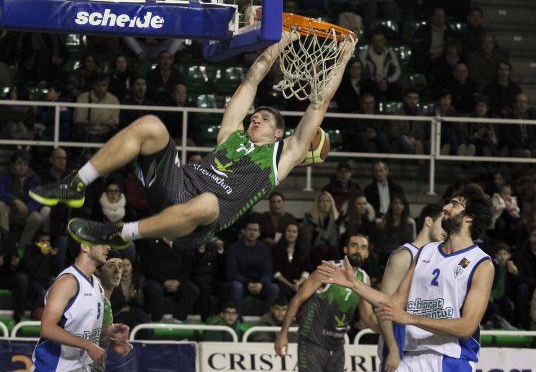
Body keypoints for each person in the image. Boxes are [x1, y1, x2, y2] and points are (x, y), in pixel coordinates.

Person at [30, 33, 355, 249]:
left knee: (209, 203)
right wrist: (278, 43)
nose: (256, 118)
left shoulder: (280, 160)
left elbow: (318, 104)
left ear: (278, 134)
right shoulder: (231, 134)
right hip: (175, 185)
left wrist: (341, 59)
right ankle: (77, 182)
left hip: (198, 222)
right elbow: (252, 79)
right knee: (151, 125)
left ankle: (121, 233)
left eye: (265, 119)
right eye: (256, 115)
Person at [318, 183, 495, 371]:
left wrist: (411, 318)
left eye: (454, 204)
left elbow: (466, 327)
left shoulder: (481, 263)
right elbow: (394, 302)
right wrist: (354, 284)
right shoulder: (426, 251)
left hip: (451, 358)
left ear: (469, 217)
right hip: (413, 356)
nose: (445, 207)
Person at [274, 233, 375, 372]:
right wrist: (283, 334)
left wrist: (389, 336)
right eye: (354, 245)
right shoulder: (329, 269)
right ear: (345, 249)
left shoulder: (364, 279)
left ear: (367, 254)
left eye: (363, 247)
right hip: (312, 342)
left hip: (337, 346)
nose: (358, 250)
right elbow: (297, 299)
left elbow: (368, 316)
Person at [31, 241, 131, 371]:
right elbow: (47, 328)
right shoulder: (68, 281)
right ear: (84, 247)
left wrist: (109, 332)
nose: (107, 247)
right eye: (101, 243)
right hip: (55, 367)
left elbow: (80, 330)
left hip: (80, 367)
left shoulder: (96, 284)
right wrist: (88, 345)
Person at [374, 203, 445, 372]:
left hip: (424, 346)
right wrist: (392, 349)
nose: (447, 230)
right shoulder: (404, 256)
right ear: (428, 221)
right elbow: (383, 306)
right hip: (399, 343)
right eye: (443, 223)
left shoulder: (438, 259)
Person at [225, 219, 279, 314]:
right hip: (242, 283)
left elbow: (268, 272)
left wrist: (261, 284)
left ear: (259, 233)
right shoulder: (233, 248)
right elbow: (232, 272)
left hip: (259, 285)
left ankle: (266, 322)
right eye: (250, 229)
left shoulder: (264, 249)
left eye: (255, 230)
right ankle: (237, 321)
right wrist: (247, 283)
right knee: (236, 286)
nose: (252, 233)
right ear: (244, 231)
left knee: (274, 288)